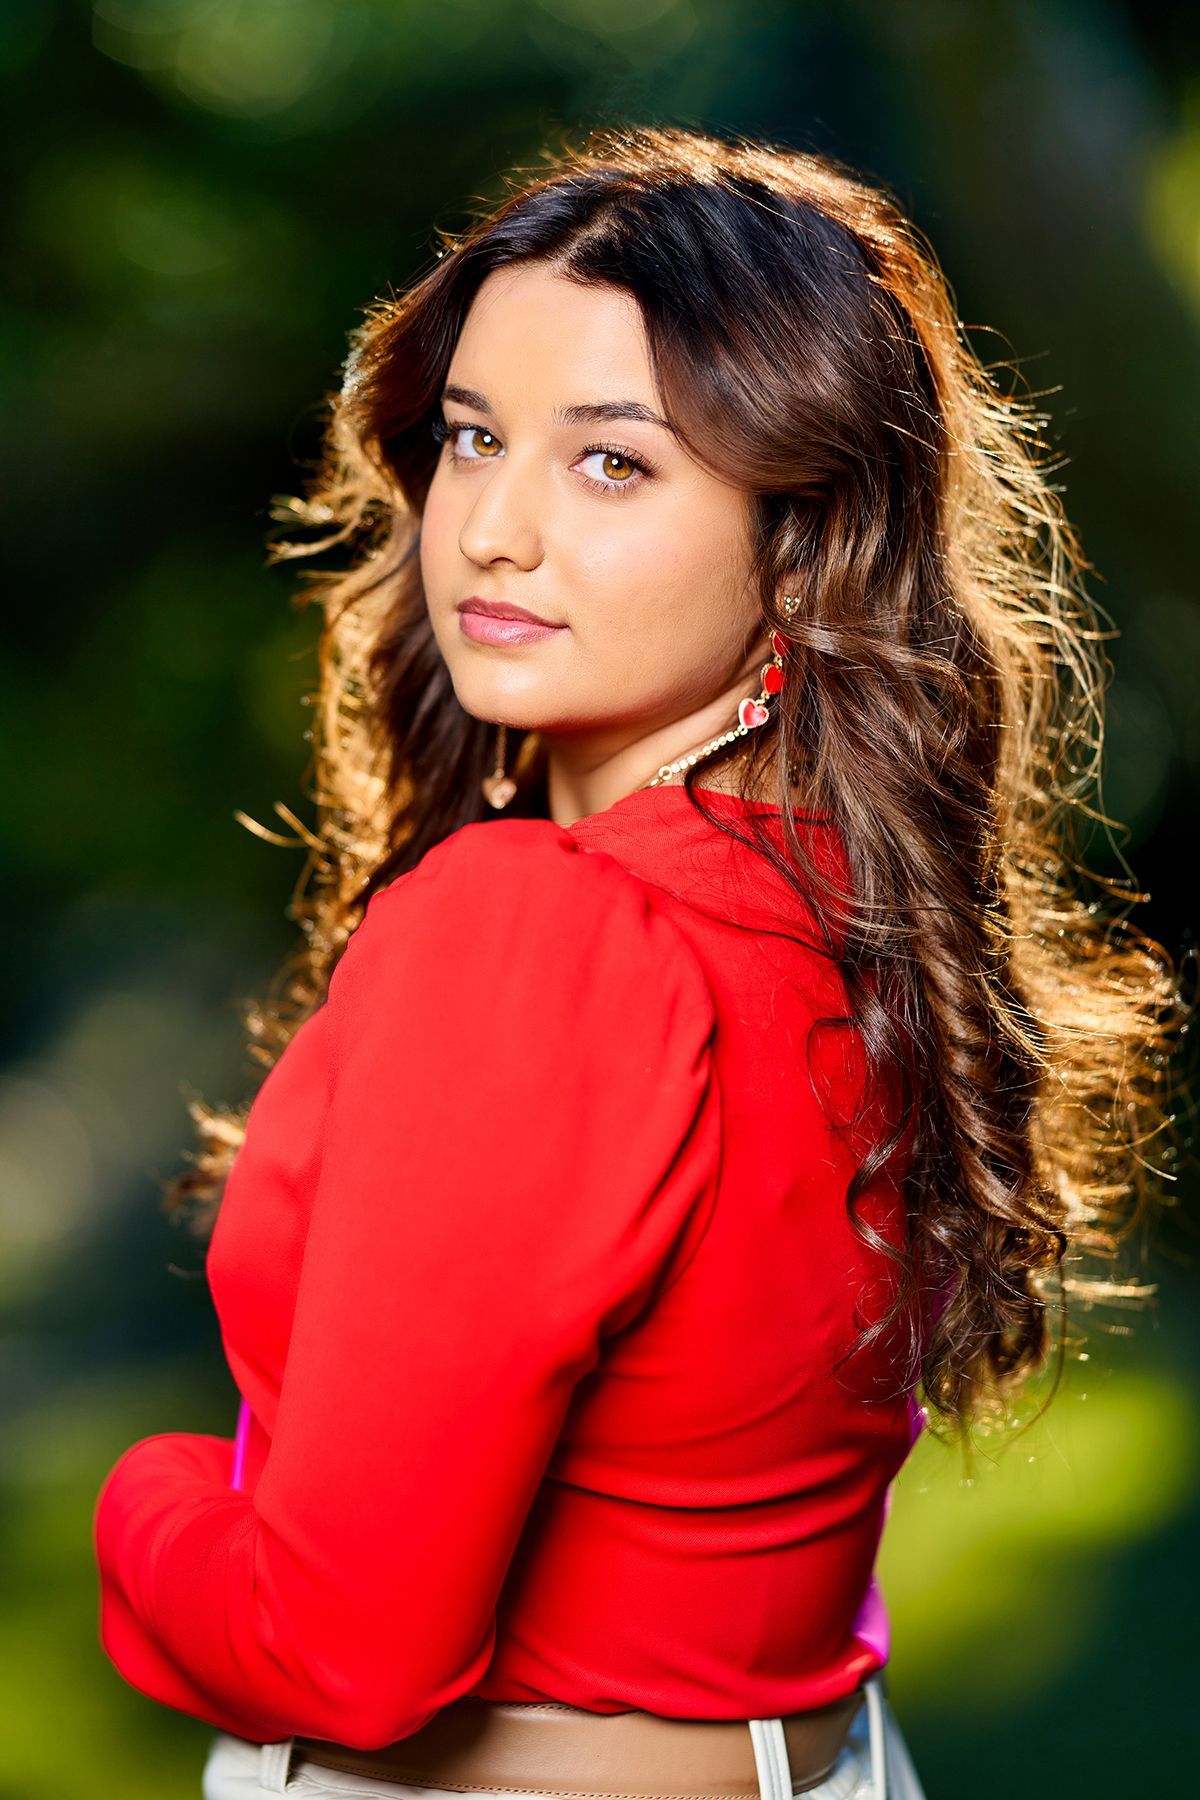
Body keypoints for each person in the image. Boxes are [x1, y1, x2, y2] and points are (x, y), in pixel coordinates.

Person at [92, 124, 1185, 1800]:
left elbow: (336, 1647)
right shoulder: (861, 914)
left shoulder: (544, 928)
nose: (493, 533)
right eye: (471, 438)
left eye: (614, 462)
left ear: (802, 532)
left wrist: (149, 1498)